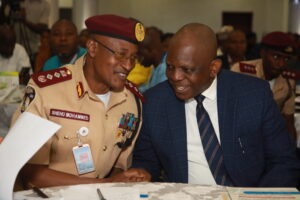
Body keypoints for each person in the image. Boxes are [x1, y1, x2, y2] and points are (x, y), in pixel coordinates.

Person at [131, 23, 300, 187]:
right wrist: (142, 173)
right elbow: (146, 162)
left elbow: (284, 161)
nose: (175, 76)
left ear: (213, 68)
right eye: (170, 66)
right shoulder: (155, 101)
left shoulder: (253, 95)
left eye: (186, 69)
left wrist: (256, 197)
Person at [11, 14, 150, 188]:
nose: (129, 66)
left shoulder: (131, 100)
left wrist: (126, 179)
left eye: (133, 57)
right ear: (92, 48)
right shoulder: (47, 91)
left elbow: (119, 164)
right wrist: (104, 184)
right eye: (121, 55)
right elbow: (30, 172)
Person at [231, 31, 298, 140]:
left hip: (269, 137)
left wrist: (291, 153)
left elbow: (288, 121)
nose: (281, 64)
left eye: (286, 59)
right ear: (262, 53)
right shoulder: (241, 71)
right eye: (276, 57)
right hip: (239, 135)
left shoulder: (288, 81)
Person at [138, 26, 167, 93]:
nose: (138, 61)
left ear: (149, 50)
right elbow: (148, 88)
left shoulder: (166, 69)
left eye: (139, 54)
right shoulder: (156, 66)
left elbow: (157, 96)